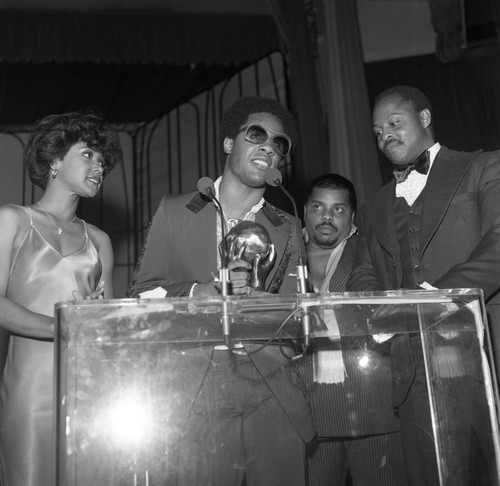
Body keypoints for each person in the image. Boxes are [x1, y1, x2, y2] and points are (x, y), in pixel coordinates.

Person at [129, 96, 315, 486]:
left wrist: (262, 303)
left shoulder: (287, 226)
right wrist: (197, 293)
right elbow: (142, 296)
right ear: (229, 143)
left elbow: (300, 314)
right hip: (195, 384)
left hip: (271, 383)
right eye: (257, 134)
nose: (269, 146)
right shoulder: (176, 210)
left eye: (280, 143)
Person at [347, 85, 500, 485]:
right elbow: (364, 270)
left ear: (425, 118)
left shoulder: (482, 166)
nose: (385, 137)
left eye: (394, 123)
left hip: (485, 357)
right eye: (378, 131)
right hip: (413, 373)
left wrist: (437, 299)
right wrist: (379, 314)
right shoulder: (374, 204)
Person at [0, 109, 121, 486]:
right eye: (87, 155)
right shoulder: (12, 220)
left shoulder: (99, 240)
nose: (98, 166)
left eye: (102, 161)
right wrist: (66, 326)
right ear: (54, 160)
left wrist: (103, 319)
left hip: (90, 391)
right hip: (30, 392)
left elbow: (108, 325)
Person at [299, 173, 404, 485]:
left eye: (339, 209)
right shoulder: (283, 252)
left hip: (373, 406)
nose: (327, 217)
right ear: (304, 210)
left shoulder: (372, 249)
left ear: (353, 216)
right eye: (318, 207)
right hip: (305, 414)